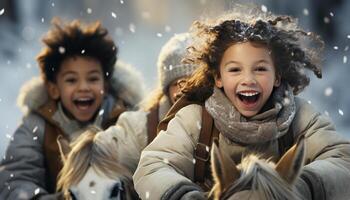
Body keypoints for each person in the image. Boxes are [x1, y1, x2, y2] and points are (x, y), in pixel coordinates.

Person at [133, 5, 350, 200]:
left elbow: (343, 160)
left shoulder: (299, 117)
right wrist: (185, 196)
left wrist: (300, 186)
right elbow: (152, 167)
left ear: (277, 77)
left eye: (260, 69)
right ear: (218, 78)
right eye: (235, 69)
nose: (248, 79)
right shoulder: (196, 120)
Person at [0, 18, 143, 200]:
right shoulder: (36, 126)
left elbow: (148, 171)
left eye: (92, 79)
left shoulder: (128, 122)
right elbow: (15, 179)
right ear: (54, 89)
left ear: (105, 86)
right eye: (71, 80)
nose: (83, 87)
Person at [98, 33, 197, 178]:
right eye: (177, 83)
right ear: (166, 89)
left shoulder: (224, 123)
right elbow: (103, 152)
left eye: (193, 82)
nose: (185, 90)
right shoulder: (139, 128)